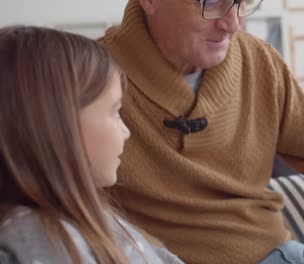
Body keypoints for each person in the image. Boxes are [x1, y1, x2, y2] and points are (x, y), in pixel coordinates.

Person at [100, 0, 304, 263]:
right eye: (212, 2)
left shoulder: (259, 61)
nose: (232, 24)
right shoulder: (88, 81)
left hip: (288, 255)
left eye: (242, 2)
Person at [0, 26, 184, 264]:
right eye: (116, 112)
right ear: (59, 125)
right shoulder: (33, 242)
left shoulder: (91, 219)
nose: (126, 132)